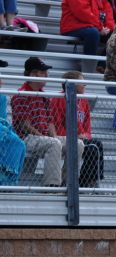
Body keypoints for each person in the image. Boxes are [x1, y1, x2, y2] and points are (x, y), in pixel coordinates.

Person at [11, 57, 83, 187]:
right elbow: (24, 125)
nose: (47, 75)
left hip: (43, 137)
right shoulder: (21, 94)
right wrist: (46, 137)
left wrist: (54, 136)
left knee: (77, 143)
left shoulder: (43, 95)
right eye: (43, 72)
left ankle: (68, 184)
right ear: (33, 74)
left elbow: (50, 123)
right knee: (54, 143)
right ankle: (52, 186)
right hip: (25, 138)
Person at [50, 71, 104, 187]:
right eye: (82, 82)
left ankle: (87, 181)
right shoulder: (58, 99)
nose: (85, 85)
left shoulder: (83, 100)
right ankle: (86, 182)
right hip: (66, 138)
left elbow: (87, 125)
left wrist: (86, 135)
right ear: (73, 84)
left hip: (80, 137)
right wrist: (75, 136)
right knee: (93, 148)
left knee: (96, 145)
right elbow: (57, 126)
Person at [0, 60, 26, 186]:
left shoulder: (2, 97)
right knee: (12, 140)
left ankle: (7, 181)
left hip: (1, 128)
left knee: (19, 143)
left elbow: (3, 120)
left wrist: (5, 130)